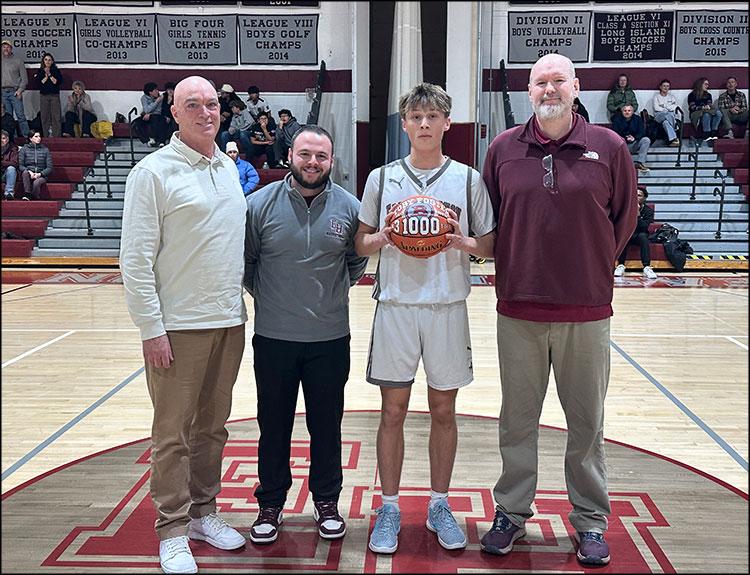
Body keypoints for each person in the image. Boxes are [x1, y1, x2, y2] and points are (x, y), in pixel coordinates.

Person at [481, 53, 637, 567]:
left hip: (586, 310)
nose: (549, 90)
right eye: (539, 82)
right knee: (517, 421)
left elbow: (625, 217)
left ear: (576, 87)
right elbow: (490, 220)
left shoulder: (609, 147)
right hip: (518, 307)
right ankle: (511, 511)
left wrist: (593, 264)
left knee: (586, 424)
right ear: (528, 92)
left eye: (557, 81)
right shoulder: (503, 149)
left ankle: (590, 520)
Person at [354, 82, 496, 554]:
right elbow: (361, 243)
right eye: (416, 117)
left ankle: (439, 504)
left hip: (447, 306)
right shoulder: (382, 178)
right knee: (392, 411)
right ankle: (390, 507)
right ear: (405, 124)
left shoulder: (468, 180)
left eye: (433, 116)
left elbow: (490, 245)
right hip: (395, 306)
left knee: (444, 412)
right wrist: (385, 237)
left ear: (447, 122)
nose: (424, 124)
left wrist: (463, 242)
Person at [119, 76, 248, 575]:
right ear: (173, 112)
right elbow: (134, 260)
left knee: (212, 429)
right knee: (172, 434)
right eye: (192, 104)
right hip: (176, 328)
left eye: (211, 103)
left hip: (229, 321)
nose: (204, 112)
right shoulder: (152, 173)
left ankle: (203, 514)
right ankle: (171, 530)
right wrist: (150, 327)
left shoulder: (228, 167)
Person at [244, 125, 367, 545]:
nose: (312, 163)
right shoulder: (259, 205)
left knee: (326, 425)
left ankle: (327, 501)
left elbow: (355, 263)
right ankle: (271, 503)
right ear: (290, 156)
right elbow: (248, 264)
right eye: (305, 154)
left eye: (321, 156)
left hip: (329, 339)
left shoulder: (350, 208)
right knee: (273, 424)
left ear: (331, 161)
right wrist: (275, 300)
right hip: (273, 337)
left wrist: (326, 298)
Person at [614, 186, 657, 279]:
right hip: (628, 233)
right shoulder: (626, 208)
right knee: (624, 236)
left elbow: (644, 227)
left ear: (644, 198)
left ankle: (647, 267)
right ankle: (620, 265)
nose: (636, 197)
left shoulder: (648, 211)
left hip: (640, 234)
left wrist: (638, 215)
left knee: (643, 238)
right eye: (634, 195)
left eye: (639, 195)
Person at [1, 39, 29, 138]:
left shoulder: (18, 61)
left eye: (7, 47)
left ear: (11, 48)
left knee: (20, 116)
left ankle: (27, 137)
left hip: (15, 92)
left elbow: (24, 79)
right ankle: (11, 137)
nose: (5, 49)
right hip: (3, 93)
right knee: (7, 117)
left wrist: (20, 90)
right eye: (4, 47)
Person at [612, 104, 651, 173]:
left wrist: (634, 138)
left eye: (629, 111)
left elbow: (642, 132)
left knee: (646, 140)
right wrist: (625, 138)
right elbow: (614, 134)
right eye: (625, 111)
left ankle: (639, 163)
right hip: (622, 145)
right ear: (622, 112)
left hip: (634, 143)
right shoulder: (616, 120)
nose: (627, 112)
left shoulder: (638, 119)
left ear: (632, 111)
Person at [33, 52, 63, 137]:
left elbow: (57, 82)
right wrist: (45, 76)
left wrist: (49, 74)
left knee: (56, 116)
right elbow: (39, 83)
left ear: (52, 61)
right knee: (45, 116)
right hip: (44, 96)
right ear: (43, 61)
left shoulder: (56, 71)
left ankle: (57, 136)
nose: (48, 61)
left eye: (49, 60)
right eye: (46, 59)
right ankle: (46, 135)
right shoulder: (40, 71)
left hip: (54, 96)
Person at [18, 130, 53, 200]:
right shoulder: (24, 149)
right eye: (36, 136)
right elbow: (20, 165)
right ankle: (27, 193)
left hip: (41, 174)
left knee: (36, 183)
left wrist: (40, 174)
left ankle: (34, 196)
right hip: (29, 173)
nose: (39, 138)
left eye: (39, 136)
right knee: (25, 172)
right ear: (30, 138)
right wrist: (30, 172)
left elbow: (49, 167)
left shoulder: (45, 150)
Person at [652, 79, 680, 147]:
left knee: (666, 123)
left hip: (668, 116)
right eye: (664, 86)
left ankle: (674, 139)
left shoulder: (672, 97)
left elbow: (674, 107)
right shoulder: (656, 97)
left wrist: (664, 106)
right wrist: (667, 108)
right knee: (668, 114)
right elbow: (656, 108)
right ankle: (675, 126)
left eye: (667, 86)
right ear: (660, 87)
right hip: (658, 116)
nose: (666, 88)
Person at [140, 82, 166, 147]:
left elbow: (158, 111)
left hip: (158, 116)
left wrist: (149, 114)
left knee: (157, 119)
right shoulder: (144, 98)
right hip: (147, 116)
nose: (157, 91)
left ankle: (159, 141)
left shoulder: (160, 97)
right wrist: (156, 102)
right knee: (136, 123)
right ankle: (148, 140)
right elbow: (146, 110)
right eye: (155, 90)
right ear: (150, 92)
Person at [2, 129, 18, 199]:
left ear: (7, 139)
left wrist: (2, 163)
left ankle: (9, 193)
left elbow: (14, 163)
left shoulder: (13, 149)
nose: (1, 141)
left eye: (3, 138)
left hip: (6, 174)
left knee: (11, 168)